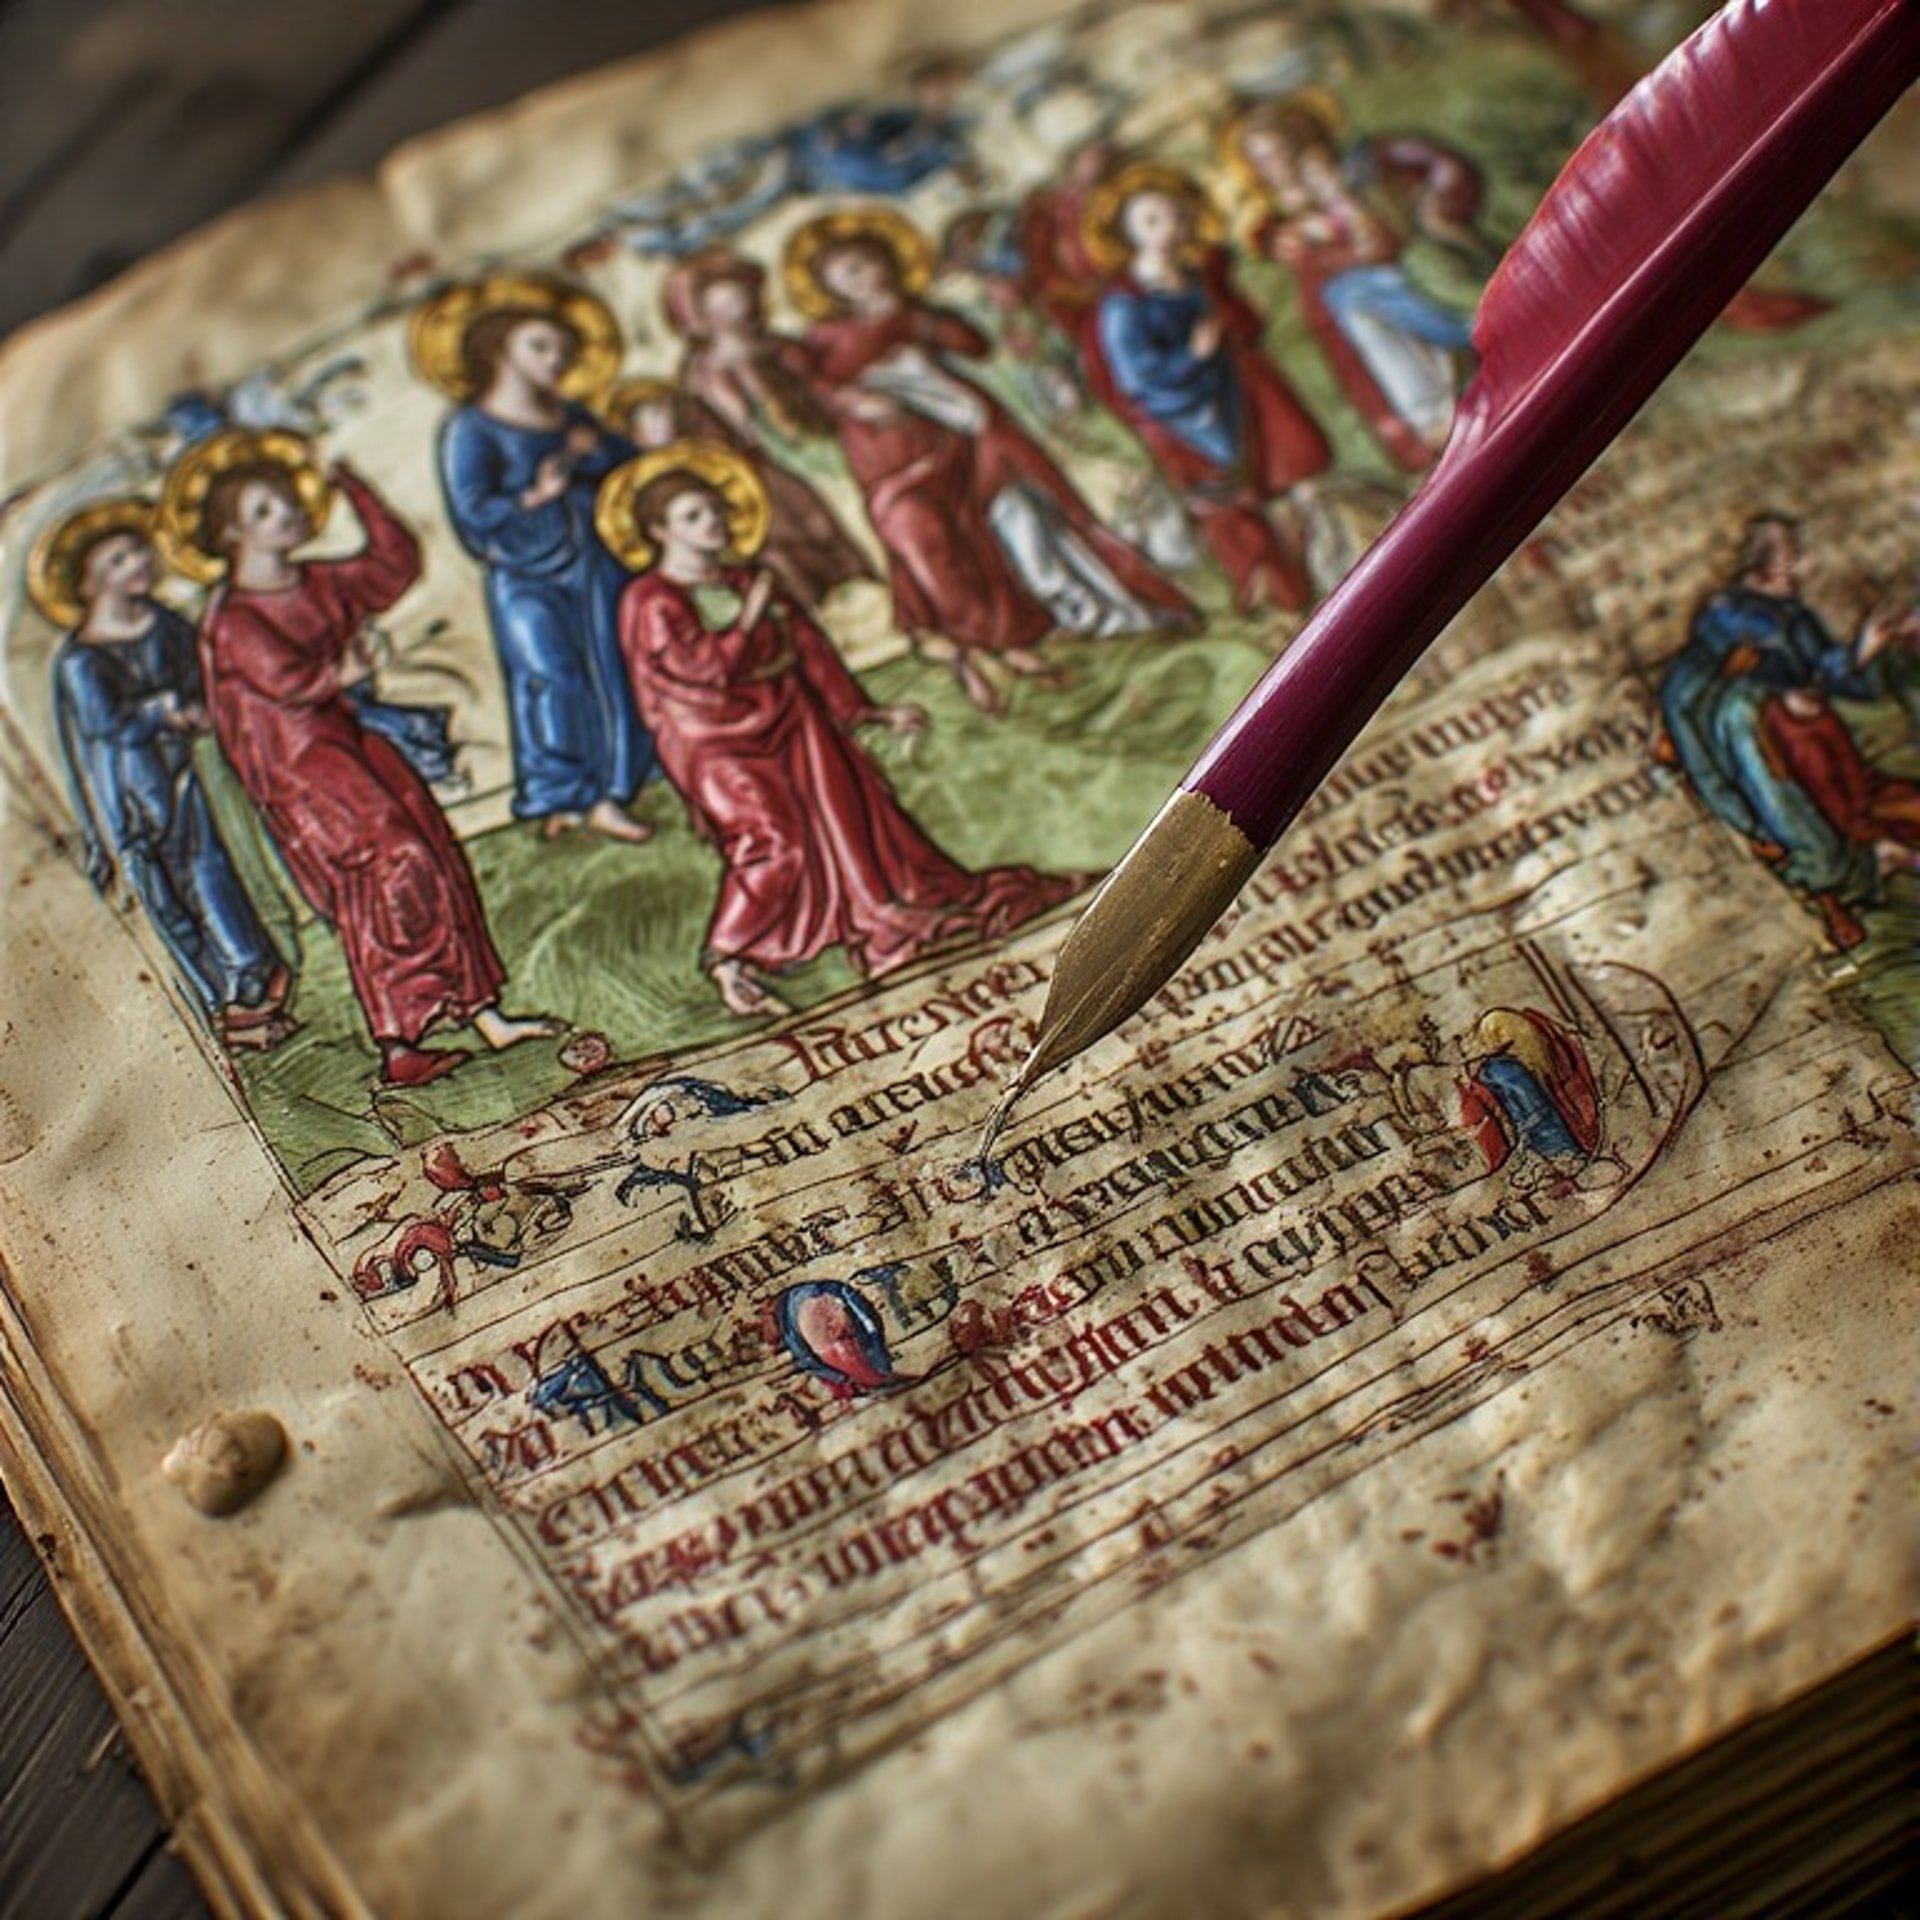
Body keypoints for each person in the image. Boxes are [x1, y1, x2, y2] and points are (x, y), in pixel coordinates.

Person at [603, 442, 1080, 1015]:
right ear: (658, 530)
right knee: (771, 841)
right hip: (718, 742)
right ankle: (729, 958)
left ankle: (871, 914)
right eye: (693, 516)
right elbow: (701, 670)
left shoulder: (748, 578)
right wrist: (752, 614)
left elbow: (809, 650)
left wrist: (863, 709)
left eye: (715, 510)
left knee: (856, 822)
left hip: (796, 719)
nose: (714, 524)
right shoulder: (649, 599)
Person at [162, 429, 557, 1085]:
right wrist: (342, 669)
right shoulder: (232, 617)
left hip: (348, 739)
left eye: (288, 499)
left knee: (435, 851)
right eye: (264, 510)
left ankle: (486, 1014)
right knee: (388, 869)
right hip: (302, 772)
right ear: (229, 534)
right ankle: (400, 1039)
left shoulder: (318, 580)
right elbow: (286, 679)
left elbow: (392, 566)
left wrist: (355, 489)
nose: (288, 513)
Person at [784, 207, 1194, 712]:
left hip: (967, 441)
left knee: (1023, 519)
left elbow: (974, 345)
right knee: (956, 549)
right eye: (848, 274)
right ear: (832, 290)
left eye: (870, 264)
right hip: (900, 465)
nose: (866, 278)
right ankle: (1012, 638)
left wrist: (919, 319)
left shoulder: (916, 315)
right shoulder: (826, 340)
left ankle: (1090, 609)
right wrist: (851, 400)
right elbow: (809, 391)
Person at [33, 499, 291, 1050]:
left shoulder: (166, 624)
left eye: (138, 552)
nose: (141, 564)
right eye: (122, 559)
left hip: (185, 775)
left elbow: (201, 676)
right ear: (92, 581)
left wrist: (198, 708)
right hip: (133, 791)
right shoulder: (82, 659)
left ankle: (253, 986)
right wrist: (163, 710)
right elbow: (105, 721)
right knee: (169, 895)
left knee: (213, 876)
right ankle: (229, 1012)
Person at [418, 275, 654, 841]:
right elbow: (473, 513)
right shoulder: (470, 429)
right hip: (527, 573)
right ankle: (561, 796)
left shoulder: (571, 417)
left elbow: (629, 469)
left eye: (565, 352)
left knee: (613, 664)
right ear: (500, 348)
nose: (557, 362)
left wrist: (598, 453)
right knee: (550, 675)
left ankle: (619, 789)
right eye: (541, 347)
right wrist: (534, 497)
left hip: (596, 562)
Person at [1659, 514, 1920, 950]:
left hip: (1803, 726)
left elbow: (1834, 675)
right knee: (1809, 792)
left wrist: (1873, 646)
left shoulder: (1794, 616)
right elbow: (1790, 671)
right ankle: (1848, 874)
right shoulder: (1733, 615)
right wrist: (1859, 651)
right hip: (1770, 737)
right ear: (1765, 566)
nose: (1803, 564)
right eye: (1792, 555)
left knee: (1852, 783)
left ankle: (1874, 850)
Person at [1088, 167, 1333, 612]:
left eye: (1176, 217)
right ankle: (1275, 592)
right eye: (1151, 221)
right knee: (1230, 504)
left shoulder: (1197, 276)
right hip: (1181, 413)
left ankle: (1310, 568)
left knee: (1277, 480)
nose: (1169, 229)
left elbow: (1244, 324)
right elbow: (1137, 377)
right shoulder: (1125, 304)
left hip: (1230, 390)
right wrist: (1194, 356)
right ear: (1127, 233)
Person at [1225, 99, 1477, 472]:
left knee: (1417, 343)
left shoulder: (1345, 183)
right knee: (1377, 378)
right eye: (1259, 160)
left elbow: (1382, 239)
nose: (1271, 167)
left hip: (1387, 288)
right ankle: (1430, 431)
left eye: (1276, 154)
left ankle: (1452, 401)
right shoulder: (1276, 220)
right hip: (1336, 315)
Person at [652, 251, 878, 607]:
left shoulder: (783, 350)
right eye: (724, 306)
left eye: (743, 299)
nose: (739, 311)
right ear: (701, 316)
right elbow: (705, 443)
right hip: (767, 477)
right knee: (807, 538)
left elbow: (824, 393)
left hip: (827, 452)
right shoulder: (697, 379)